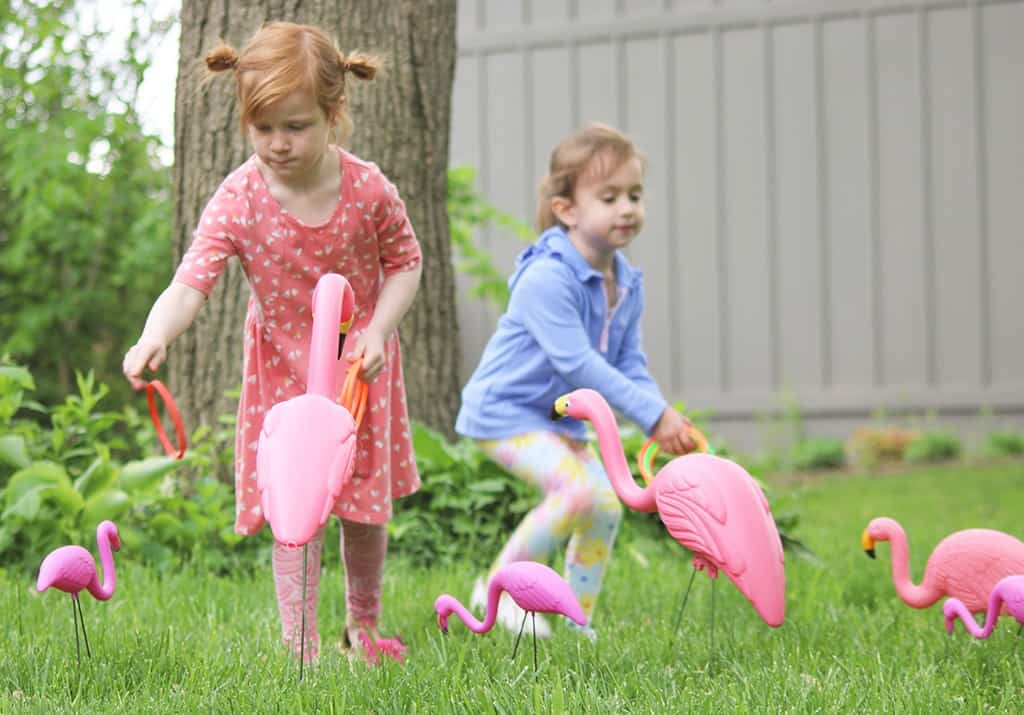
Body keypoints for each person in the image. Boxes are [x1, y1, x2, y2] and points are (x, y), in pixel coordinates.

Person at [122, 22, 422, 665]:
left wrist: (377, 331)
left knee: (364, 510)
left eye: (297, 126)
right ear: (245, 120)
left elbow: (407, 262)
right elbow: (190, 282)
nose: (279, 145)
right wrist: (154, 334)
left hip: (356, 377)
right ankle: (301, 647)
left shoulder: (367, 189)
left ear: (333, 114)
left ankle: (362, 629)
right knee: (297, 512)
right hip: (283, 377)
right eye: (264, 130)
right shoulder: (240, 198)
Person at [455, 122, 697, 640]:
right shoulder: (548, 277)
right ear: (567, 210)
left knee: (607, 504)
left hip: (558, 420)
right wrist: (654, 416)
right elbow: (578, 365)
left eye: (634, 195)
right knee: (576, 492)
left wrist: (661, 416)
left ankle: (571, 615)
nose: (627, 208)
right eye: (608, 197)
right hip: (503, 413)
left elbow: (629, 362)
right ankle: (497, 590)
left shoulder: (625, 282)